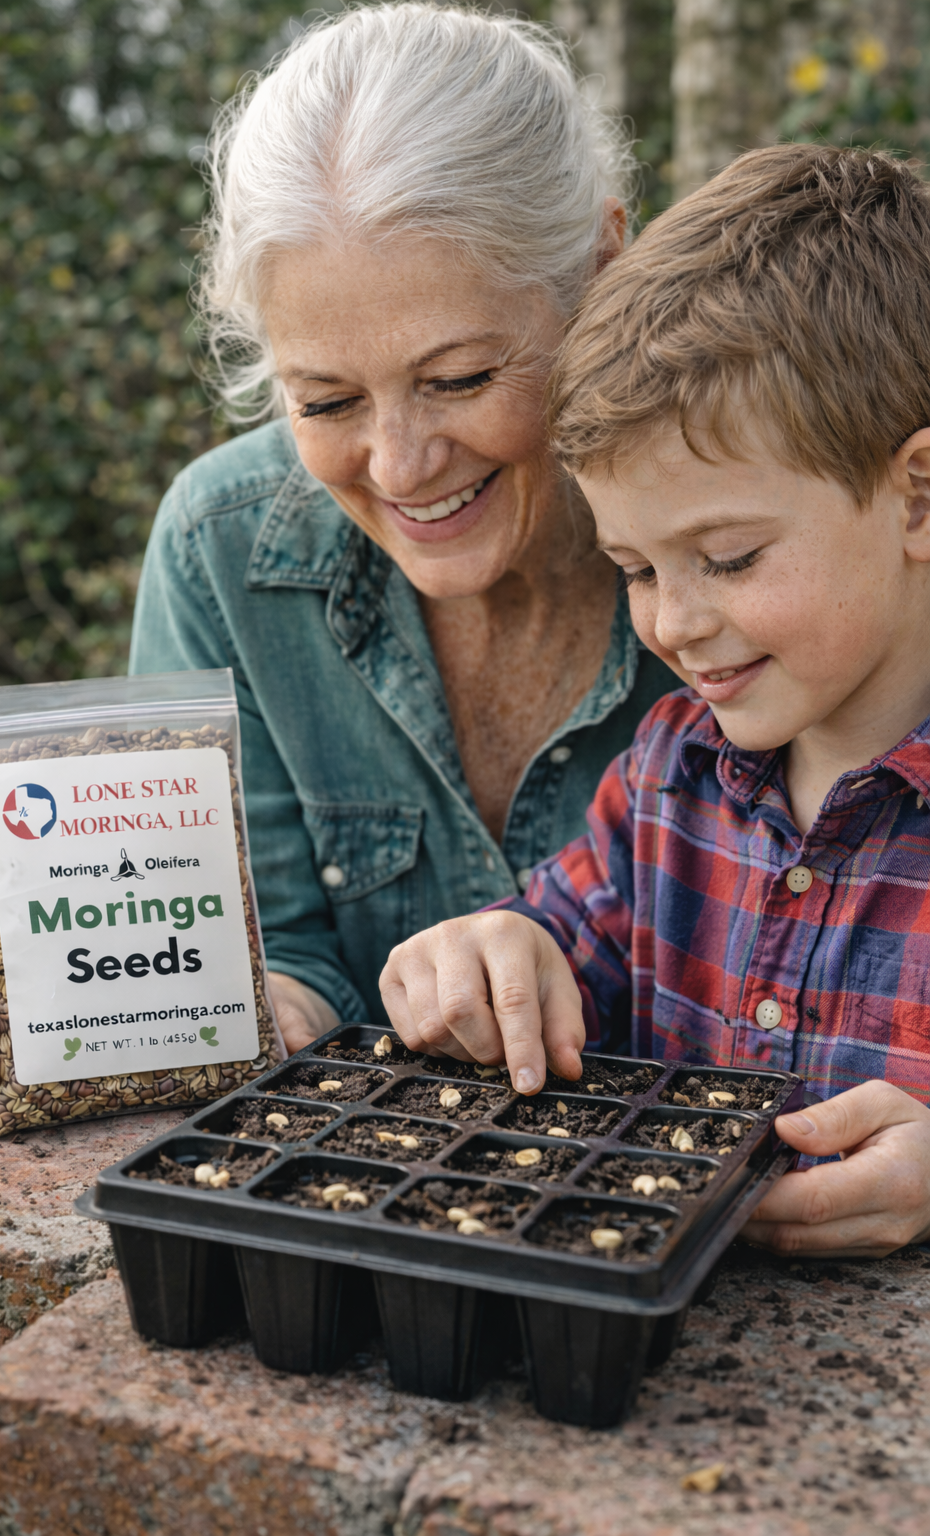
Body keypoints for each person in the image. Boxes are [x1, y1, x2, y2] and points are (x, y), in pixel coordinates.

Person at [0, 4, 677, 1121]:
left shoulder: (751, 536)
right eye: (326, 401)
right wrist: (77, 1005)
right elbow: (275, 970)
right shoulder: (223, 548)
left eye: (459, 379)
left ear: (603, 265)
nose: (400, 464)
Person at [379, 143, 930, 1257]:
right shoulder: (667, 776)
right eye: (634, 569)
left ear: (916, 496)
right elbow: (555, 948)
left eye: (727, 558)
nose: (673, 624)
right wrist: (490, 956)